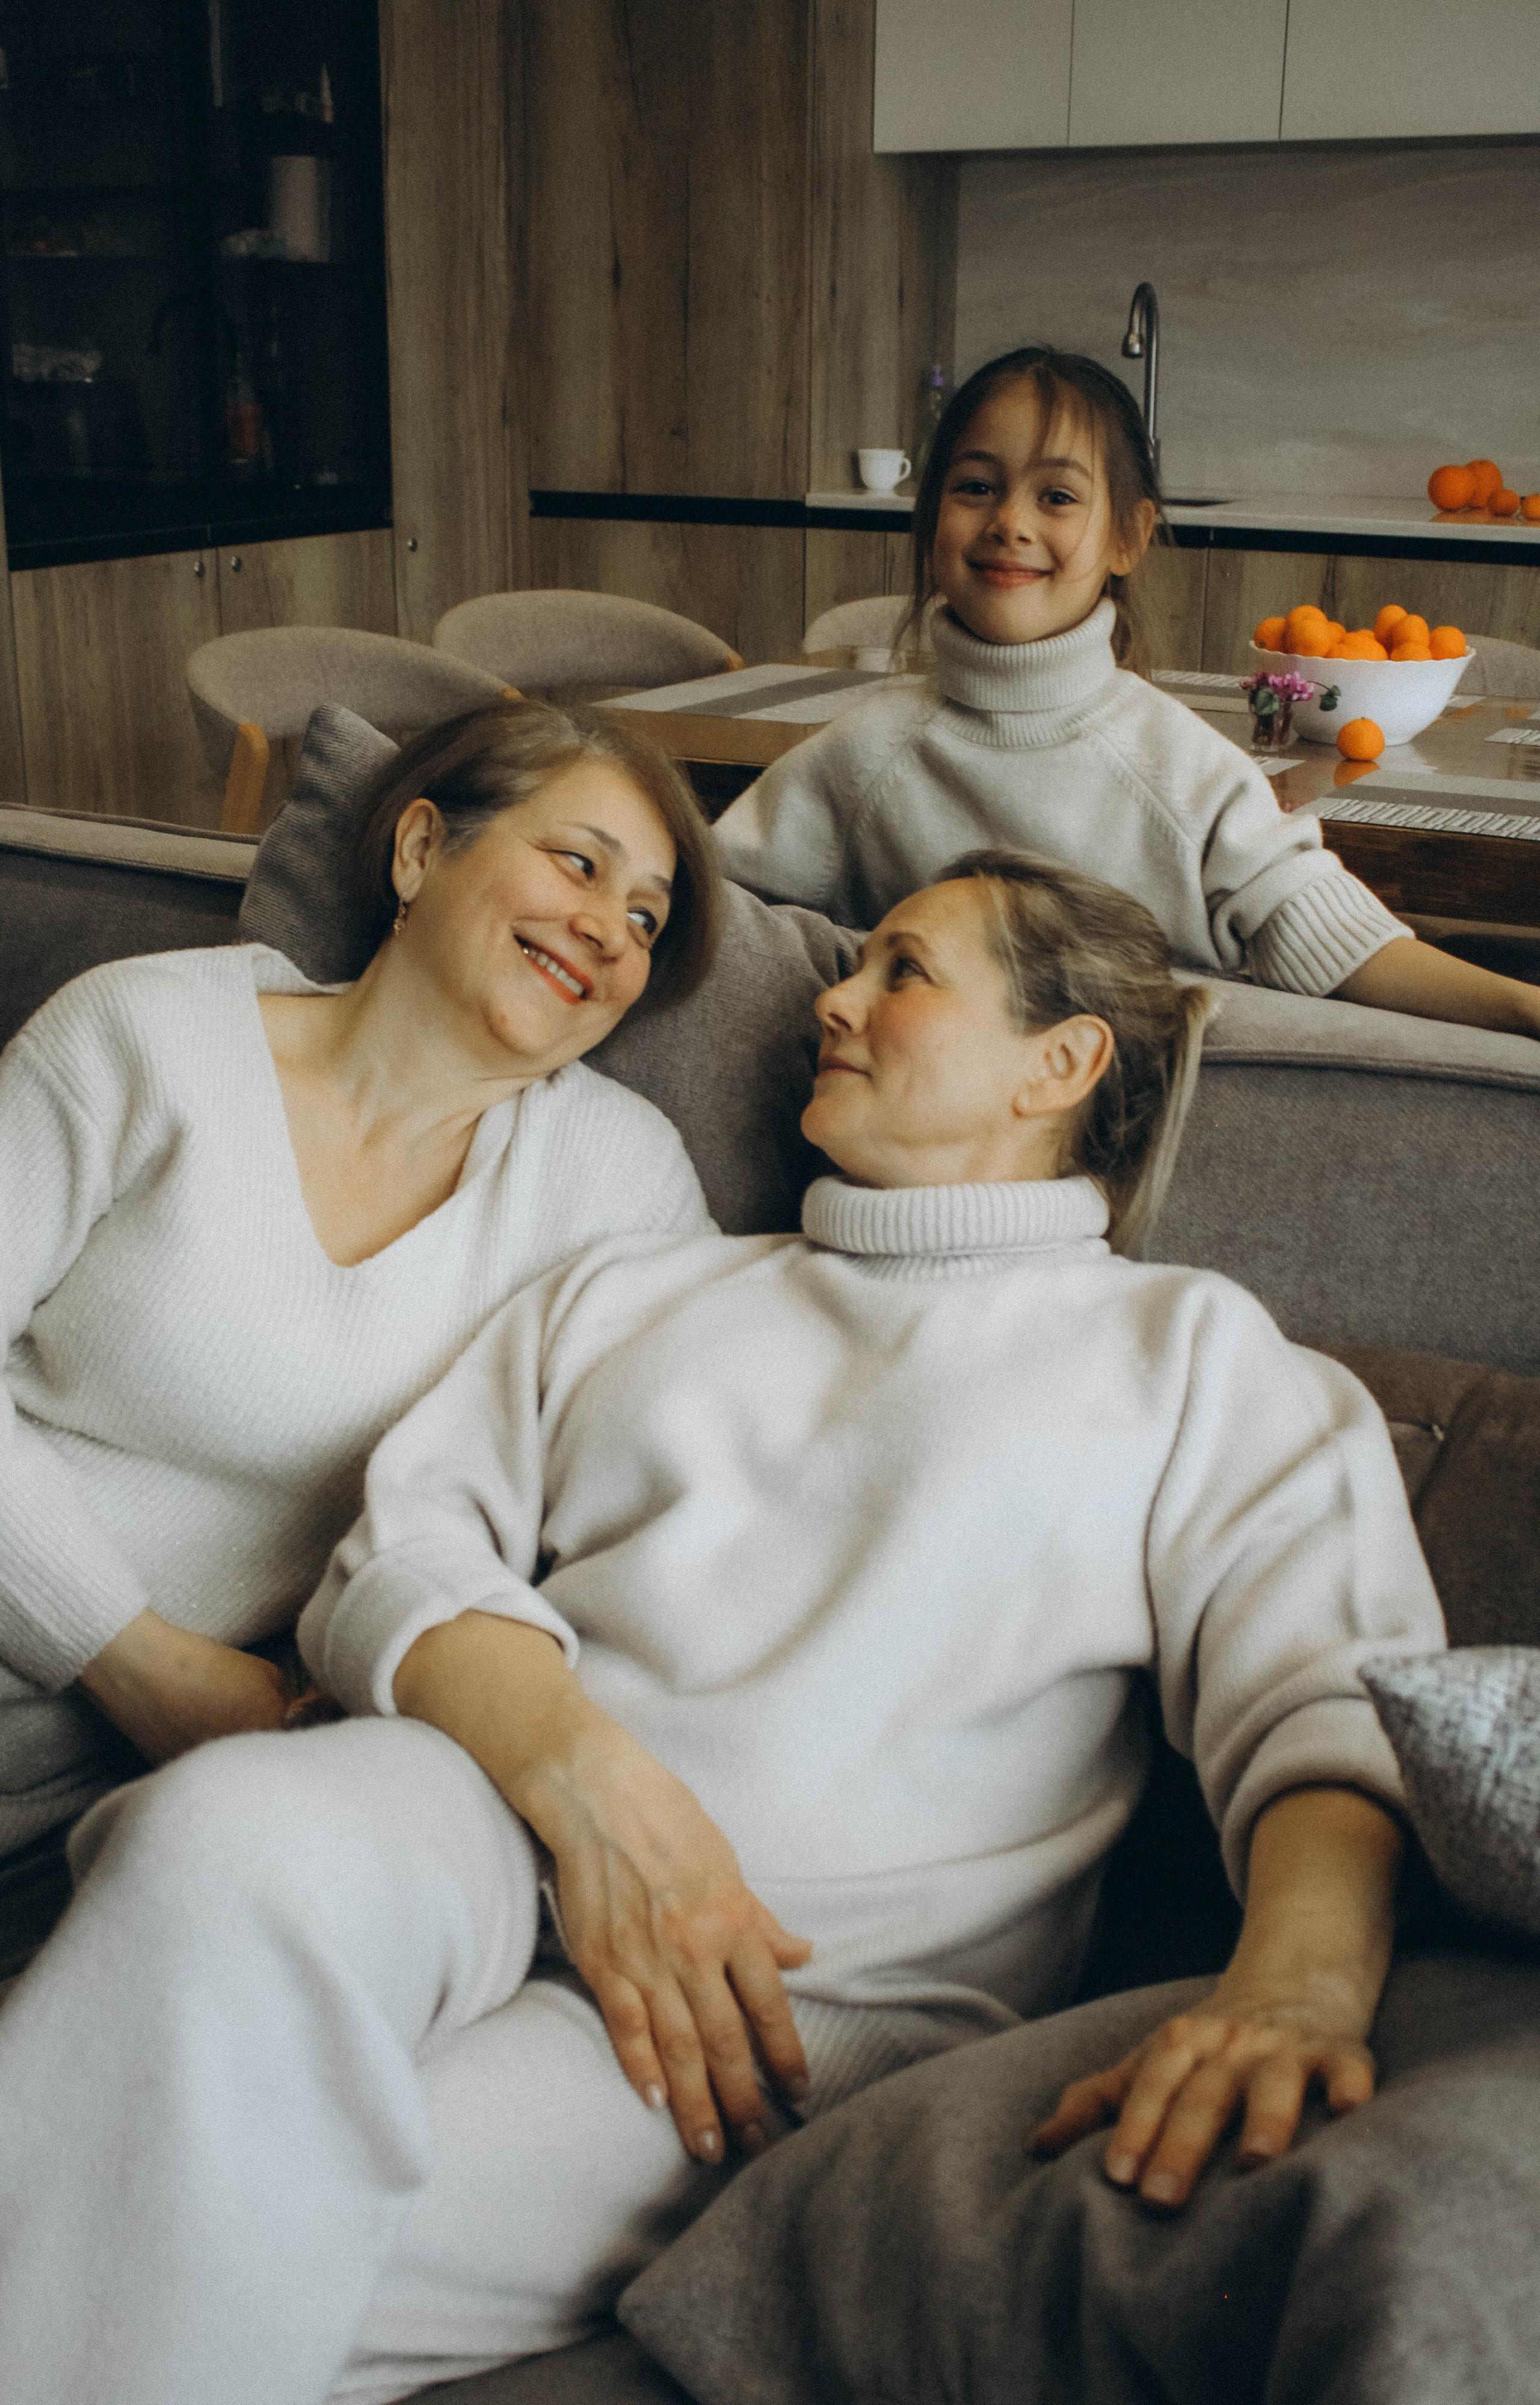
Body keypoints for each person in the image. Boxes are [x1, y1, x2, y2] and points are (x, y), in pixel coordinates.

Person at [0, 851, 1445, 2405]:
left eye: (903, 971)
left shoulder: (1195, 1357)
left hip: (770, 2008)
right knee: (217, 1829)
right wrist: (591, 1785)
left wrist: (1292, 1987)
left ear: (1062, 1060)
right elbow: (394, 1557)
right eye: (853, 963)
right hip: (476, 1820)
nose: (836, 999)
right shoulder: (644, 1287)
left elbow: (1333, 1697)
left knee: (204, 2217)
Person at [0, 697, 721, 1859]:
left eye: (647, 916)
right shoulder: (145, 1036)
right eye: (579, 864)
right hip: (158, 1725)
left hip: (121, 1823)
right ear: (423, 848)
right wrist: (139, 1662)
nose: (609, 931)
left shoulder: (616, 1180)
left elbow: (699, 1478)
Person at [715, 345, 1540, 1041]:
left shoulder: (1186, 772)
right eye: (975, 487)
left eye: (1057, 496)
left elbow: (1339, 943)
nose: (1010, 521)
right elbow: (714, 916)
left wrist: (1523, 1008)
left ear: (1130, 537)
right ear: (931, 517)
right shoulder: (860, 757)